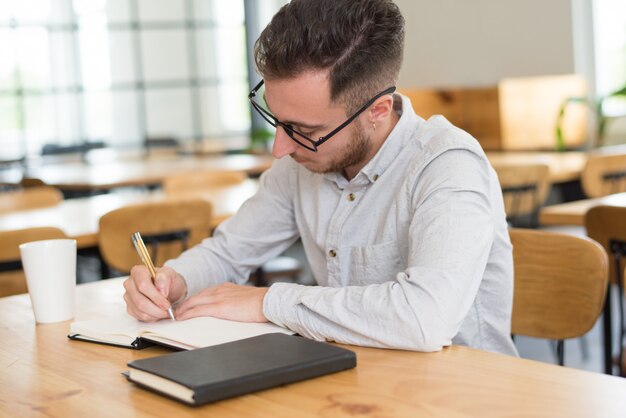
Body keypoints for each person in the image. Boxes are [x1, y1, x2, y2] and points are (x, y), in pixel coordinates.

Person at [123, 0, 518, 356]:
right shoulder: (300, 165)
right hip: (351, 379)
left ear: (377, 110)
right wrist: (176, 279)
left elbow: (425, 320)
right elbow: (229, 252)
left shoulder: (446, 164)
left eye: (304, 130)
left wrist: (267, 302)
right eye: (276, 120)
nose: (280, 148)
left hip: (464, 389)